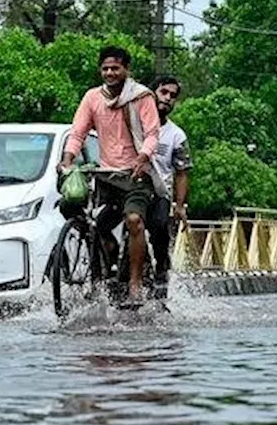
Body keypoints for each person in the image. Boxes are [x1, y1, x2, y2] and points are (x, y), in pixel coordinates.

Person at [58, 46, 163, 301]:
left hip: (135, 175)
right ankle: (106, 266)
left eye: (115, 68)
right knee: (88, 220)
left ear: (126, 70)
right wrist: (67, 159)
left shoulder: (141, 97)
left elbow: (152, 133)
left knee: (134, 220)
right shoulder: (93, 98)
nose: (110, 73)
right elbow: (78, 132)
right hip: (106, 176)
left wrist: (143, 156)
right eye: (105, 68)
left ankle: (136, 282)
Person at [147, 76, 191, 283]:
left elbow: (182, 172)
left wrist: (180, 206)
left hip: (159, 192)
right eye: (164, 92)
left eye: (173, 96)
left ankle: (162, 268)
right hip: (129, 185)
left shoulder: (176, 135)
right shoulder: (133, 123)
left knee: (160, 229)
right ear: (152, 92)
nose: (168, 98)